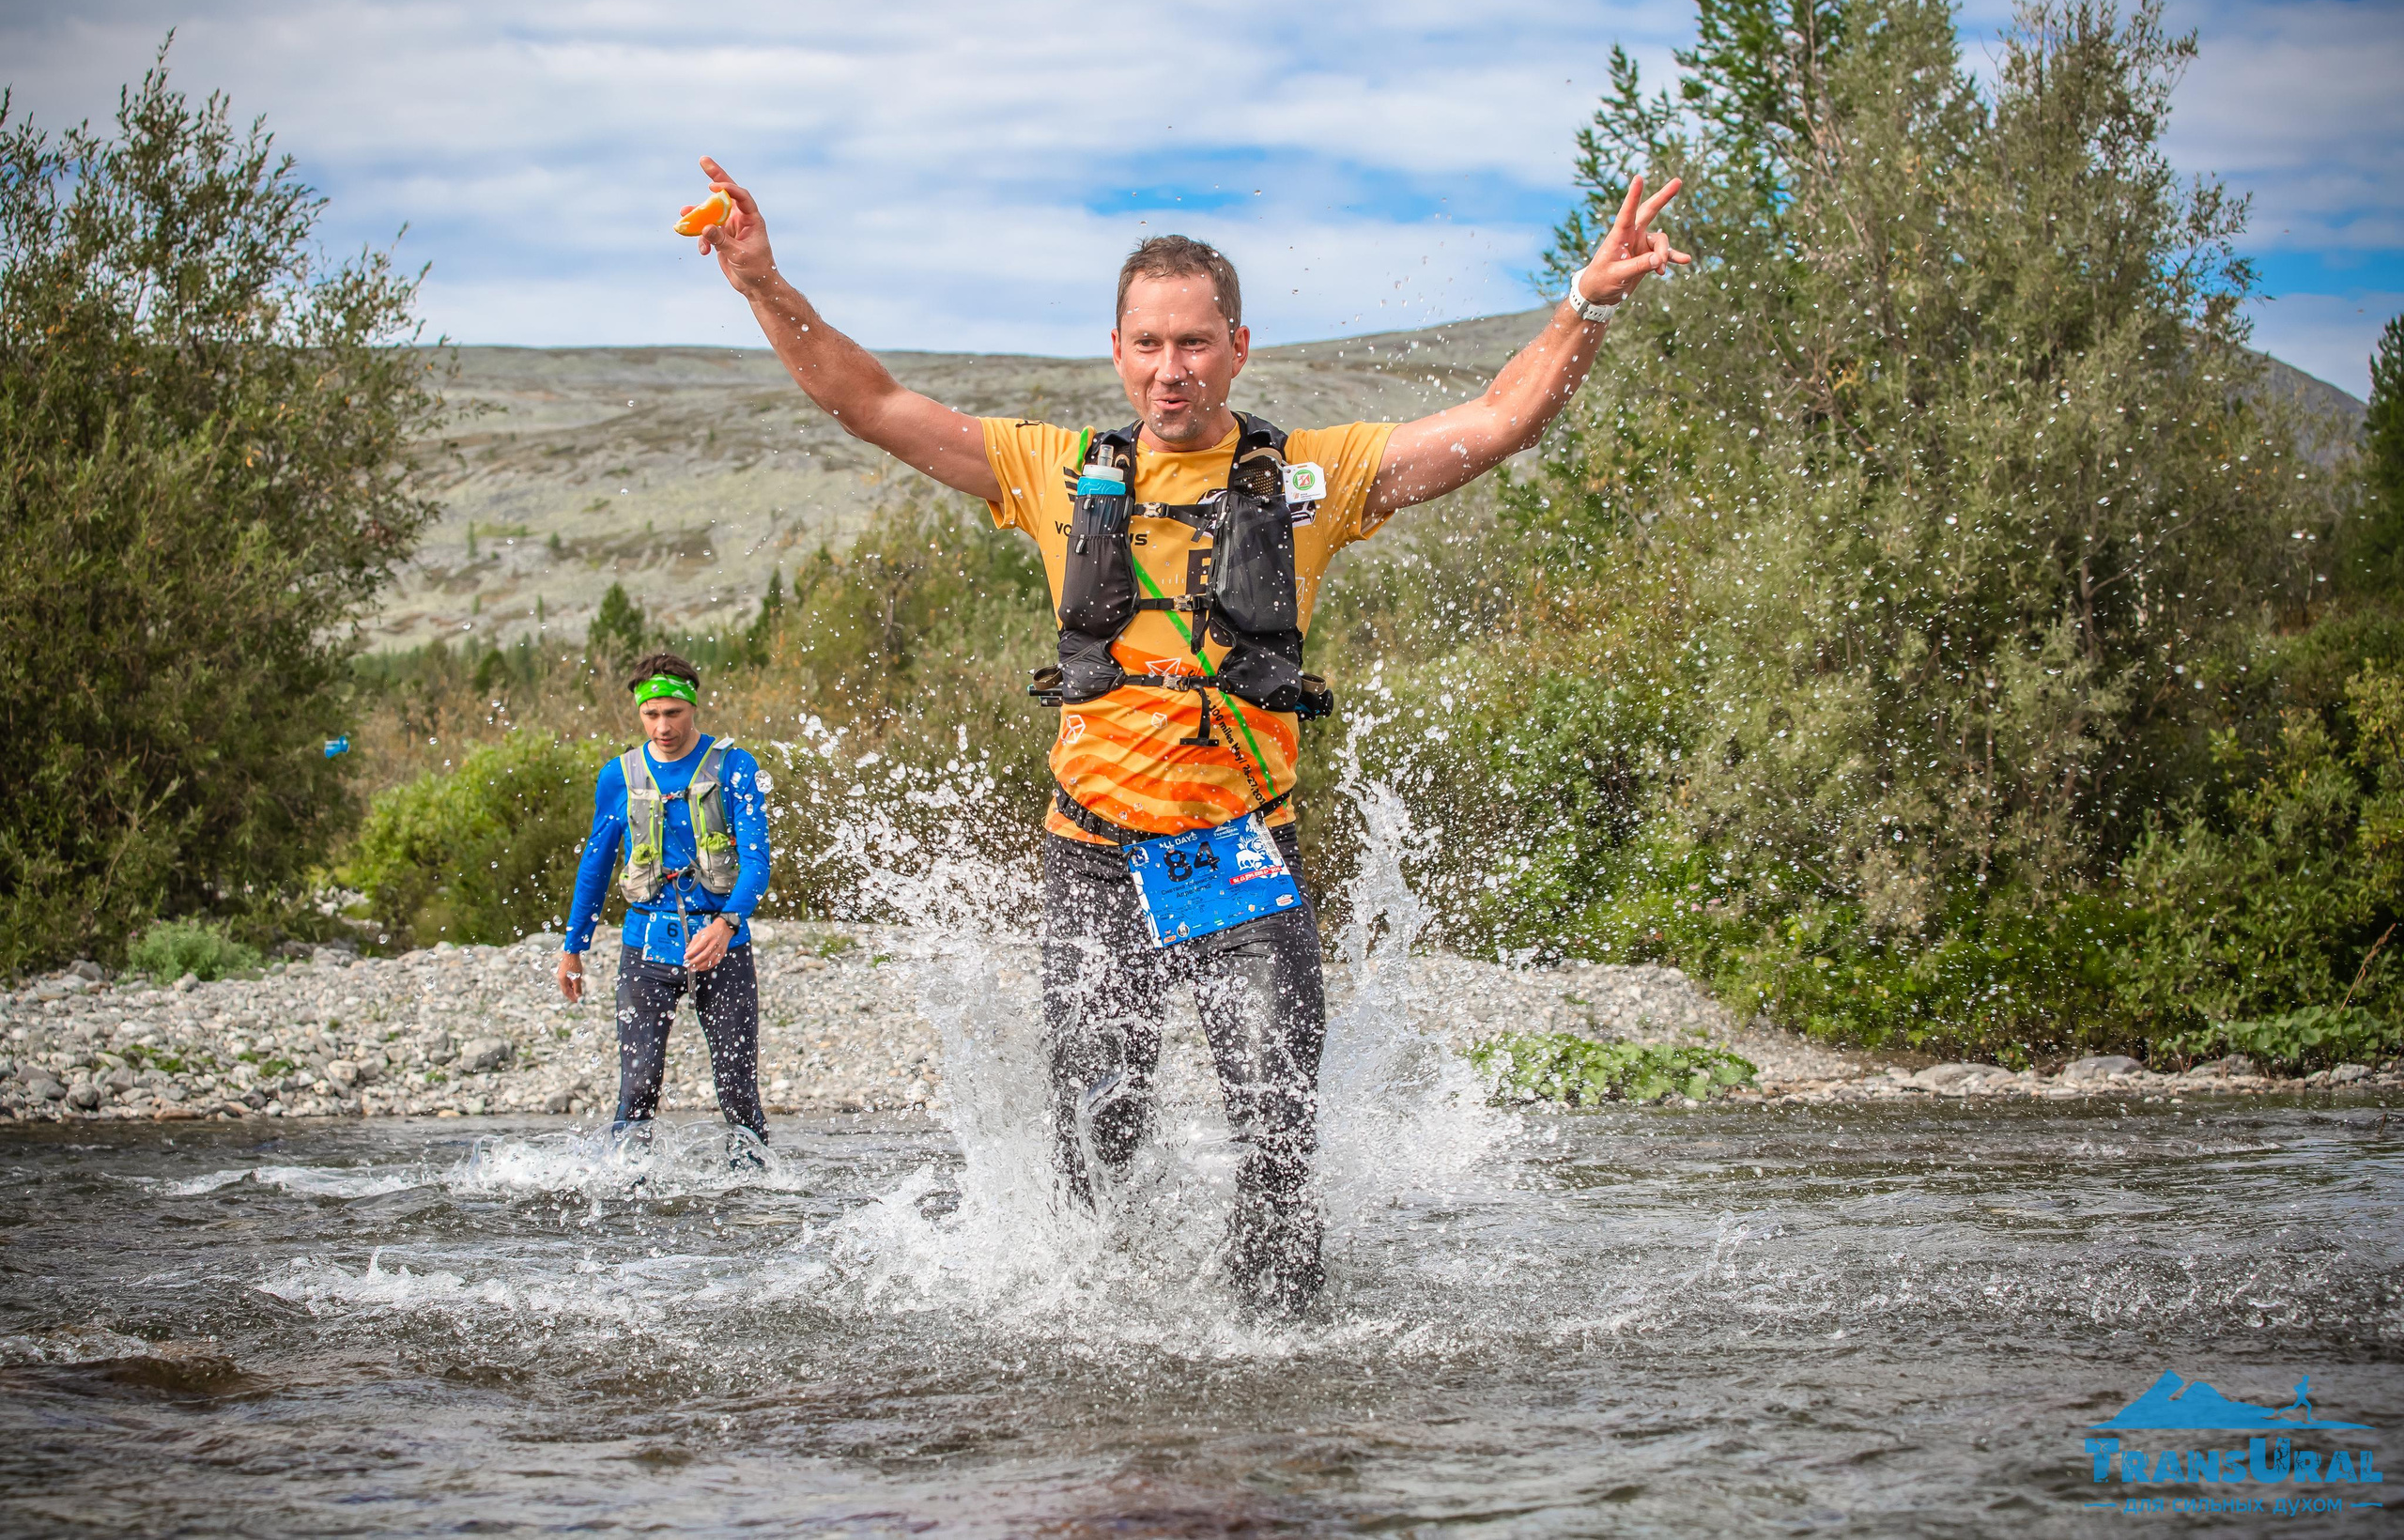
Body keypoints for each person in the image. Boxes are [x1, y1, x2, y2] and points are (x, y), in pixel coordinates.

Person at [686, 154, 1685, 1310]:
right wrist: (763, 284)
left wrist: (1585, 302)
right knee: (1097, 1133)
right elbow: (869, 404)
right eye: (1151, 344)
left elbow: (1501, 420)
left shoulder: (1312, 479)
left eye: (1196, 343)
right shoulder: (1053, 471)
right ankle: (1107, 1344)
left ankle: (1278, 1352)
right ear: (1116, 351)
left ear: (1238, 347)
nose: (1173, 369)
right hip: (1093, 855)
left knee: (1277, 1132)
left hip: (1240, 853)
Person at [557, 651, 775, 1156]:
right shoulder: (618, 776)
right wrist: (573, 948)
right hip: (646, 949)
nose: (662, 727)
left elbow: (757, 862)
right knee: (637, 1087)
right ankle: (627, 1185)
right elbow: (595, 865)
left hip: (723, 947)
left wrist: (726, 924)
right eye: (650, 714)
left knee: (738, 1090)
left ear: (693, 706)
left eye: (673, 713)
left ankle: (757, 1188)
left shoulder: (735, 767)